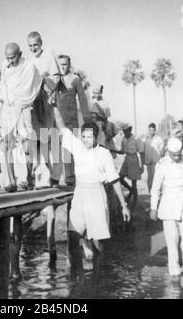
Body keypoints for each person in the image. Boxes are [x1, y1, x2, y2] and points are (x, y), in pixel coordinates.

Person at [52, 103, 130, 290]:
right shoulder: (77, 147)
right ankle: (79, 276)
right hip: (80, 194)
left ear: (96, 137)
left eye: (89, 137)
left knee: (98, 242)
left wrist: (123, 205)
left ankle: (95, 279)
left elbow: (114, 180)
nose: (86, 139)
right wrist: (54, 105)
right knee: (72, 236)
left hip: (97, 195)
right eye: (83, 136)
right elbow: (62, 127)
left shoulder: (103, 154)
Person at [0, 42, 42, 192]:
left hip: (23, 108)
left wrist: (13, 97)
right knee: (6, 145)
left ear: (20, 54)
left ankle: (29, 178)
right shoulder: (5, 65)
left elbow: (29, 89)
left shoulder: (28, 66)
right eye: (8, 57)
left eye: (13, 58)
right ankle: (11, 180)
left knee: (27, 146)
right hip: (9, 108)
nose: (11, 61)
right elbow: (4, 86)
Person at [150, 138, 183, 278]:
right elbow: (155, 188)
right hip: (168, 202)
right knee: (172, 240)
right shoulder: (162, 164)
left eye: (179, 153)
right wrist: (153, 207)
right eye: (174, 154)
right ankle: (174, 271)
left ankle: (182, 259)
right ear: (168, 152)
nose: (177, 156)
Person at [52, 54, 92, 188]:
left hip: (71, 121)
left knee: (69, 150)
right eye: (61, 64)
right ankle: (54, 179)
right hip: (56, 120)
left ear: (69, 64)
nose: (63, 67)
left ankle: (70, 180)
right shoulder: (54, 79)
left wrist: (87, 120)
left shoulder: (75, 79)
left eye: (65, 64)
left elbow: (82, 100)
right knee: (55, 150)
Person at [27, 31, 60, 187]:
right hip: (34, 102)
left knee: (50, 136)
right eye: (30, 46)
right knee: (36, 138)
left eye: (36, 45)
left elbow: (56, 79)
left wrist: (45, 78)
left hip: (47, 100)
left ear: (41, 43)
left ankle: (54, 175)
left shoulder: (49, 55)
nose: (33, 48)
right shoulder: (28, 60)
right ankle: (39, 175)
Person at [118, 124, 144, 208]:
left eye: (126, 131)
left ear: (130, 130)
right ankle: (131, 191)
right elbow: (122, 151)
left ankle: (135, 202)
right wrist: (111, 150)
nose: (125, 133)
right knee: (120, 178)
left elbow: (141, 152)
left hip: (134, 160)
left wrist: (142, 165)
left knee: (134, 182)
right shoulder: (124, 139)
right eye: (124, 131)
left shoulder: (136, 139)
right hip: (126, 159)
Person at [142, 123, 164, 192]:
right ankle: (150, 192)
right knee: (149, 177)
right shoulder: (145, 139)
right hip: (148, 161)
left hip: (156, 162)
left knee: (157, 178)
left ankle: (157, 192)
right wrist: (143, 161)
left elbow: (162, 150)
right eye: (150, 130)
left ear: (155, 130)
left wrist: (160, 158)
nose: (151, 132)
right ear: (148, 130)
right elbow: (142, 150)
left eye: (153, 130)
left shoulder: (158, 139)